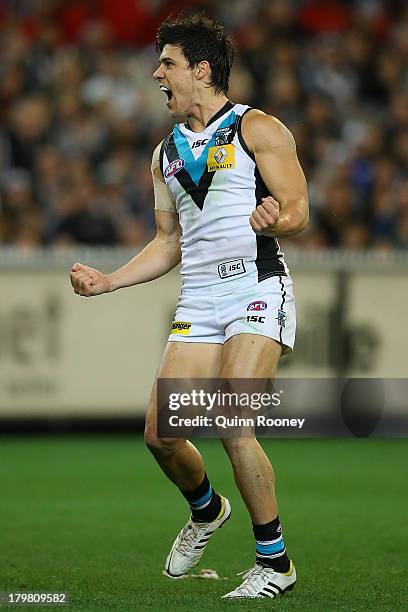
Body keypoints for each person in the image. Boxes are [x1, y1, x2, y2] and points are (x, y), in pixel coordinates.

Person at [70, 14, 308, 599]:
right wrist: (109, 282)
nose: (157, 74)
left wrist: (279, 216)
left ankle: (274, 562)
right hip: (199, 301)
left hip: (256, 287)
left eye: (168, 64)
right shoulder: (165, 154)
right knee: (160, 435)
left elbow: (299, 207)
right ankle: (206, 509)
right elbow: (168, 241)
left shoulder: (258, 129)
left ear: (201, 70)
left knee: (232, 419)